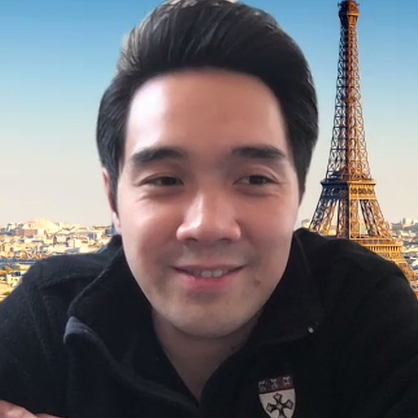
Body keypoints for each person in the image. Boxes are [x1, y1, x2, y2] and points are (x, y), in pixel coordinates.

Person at [1, 0, 418, 417]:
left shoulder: (367, 309)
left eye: (254, 179)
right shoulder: (49, 316)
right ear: (113, 200)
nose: (208, 225)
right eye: (166, 180)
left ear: (299, 192)